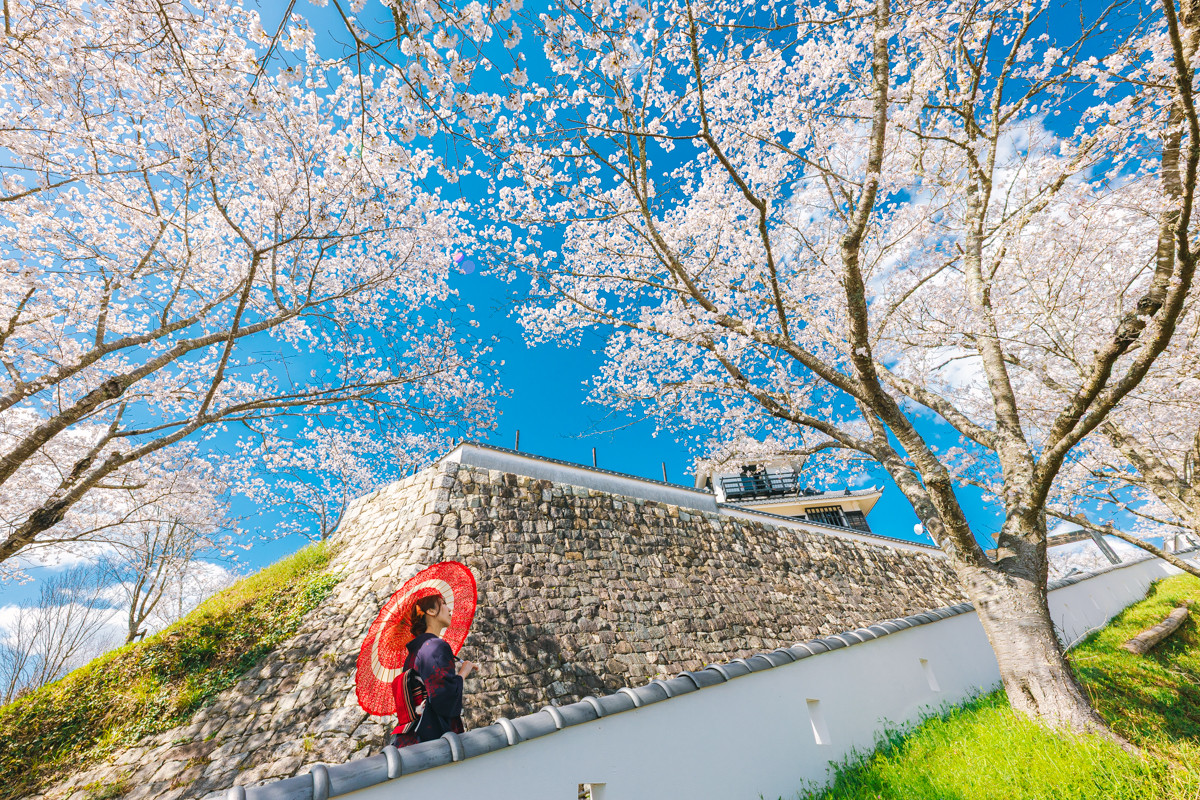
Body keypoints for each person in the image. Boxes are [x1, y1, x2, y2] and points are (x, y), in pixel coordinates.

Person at [389, 594, 478, 749]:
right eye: (443, 604)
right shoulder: (436, 646)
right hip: (435, 740)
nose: (449, 609)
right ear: (430, 611)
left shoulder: (412, 655)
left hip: (414, 740)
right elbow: (445, 699)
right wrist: (463, 673)